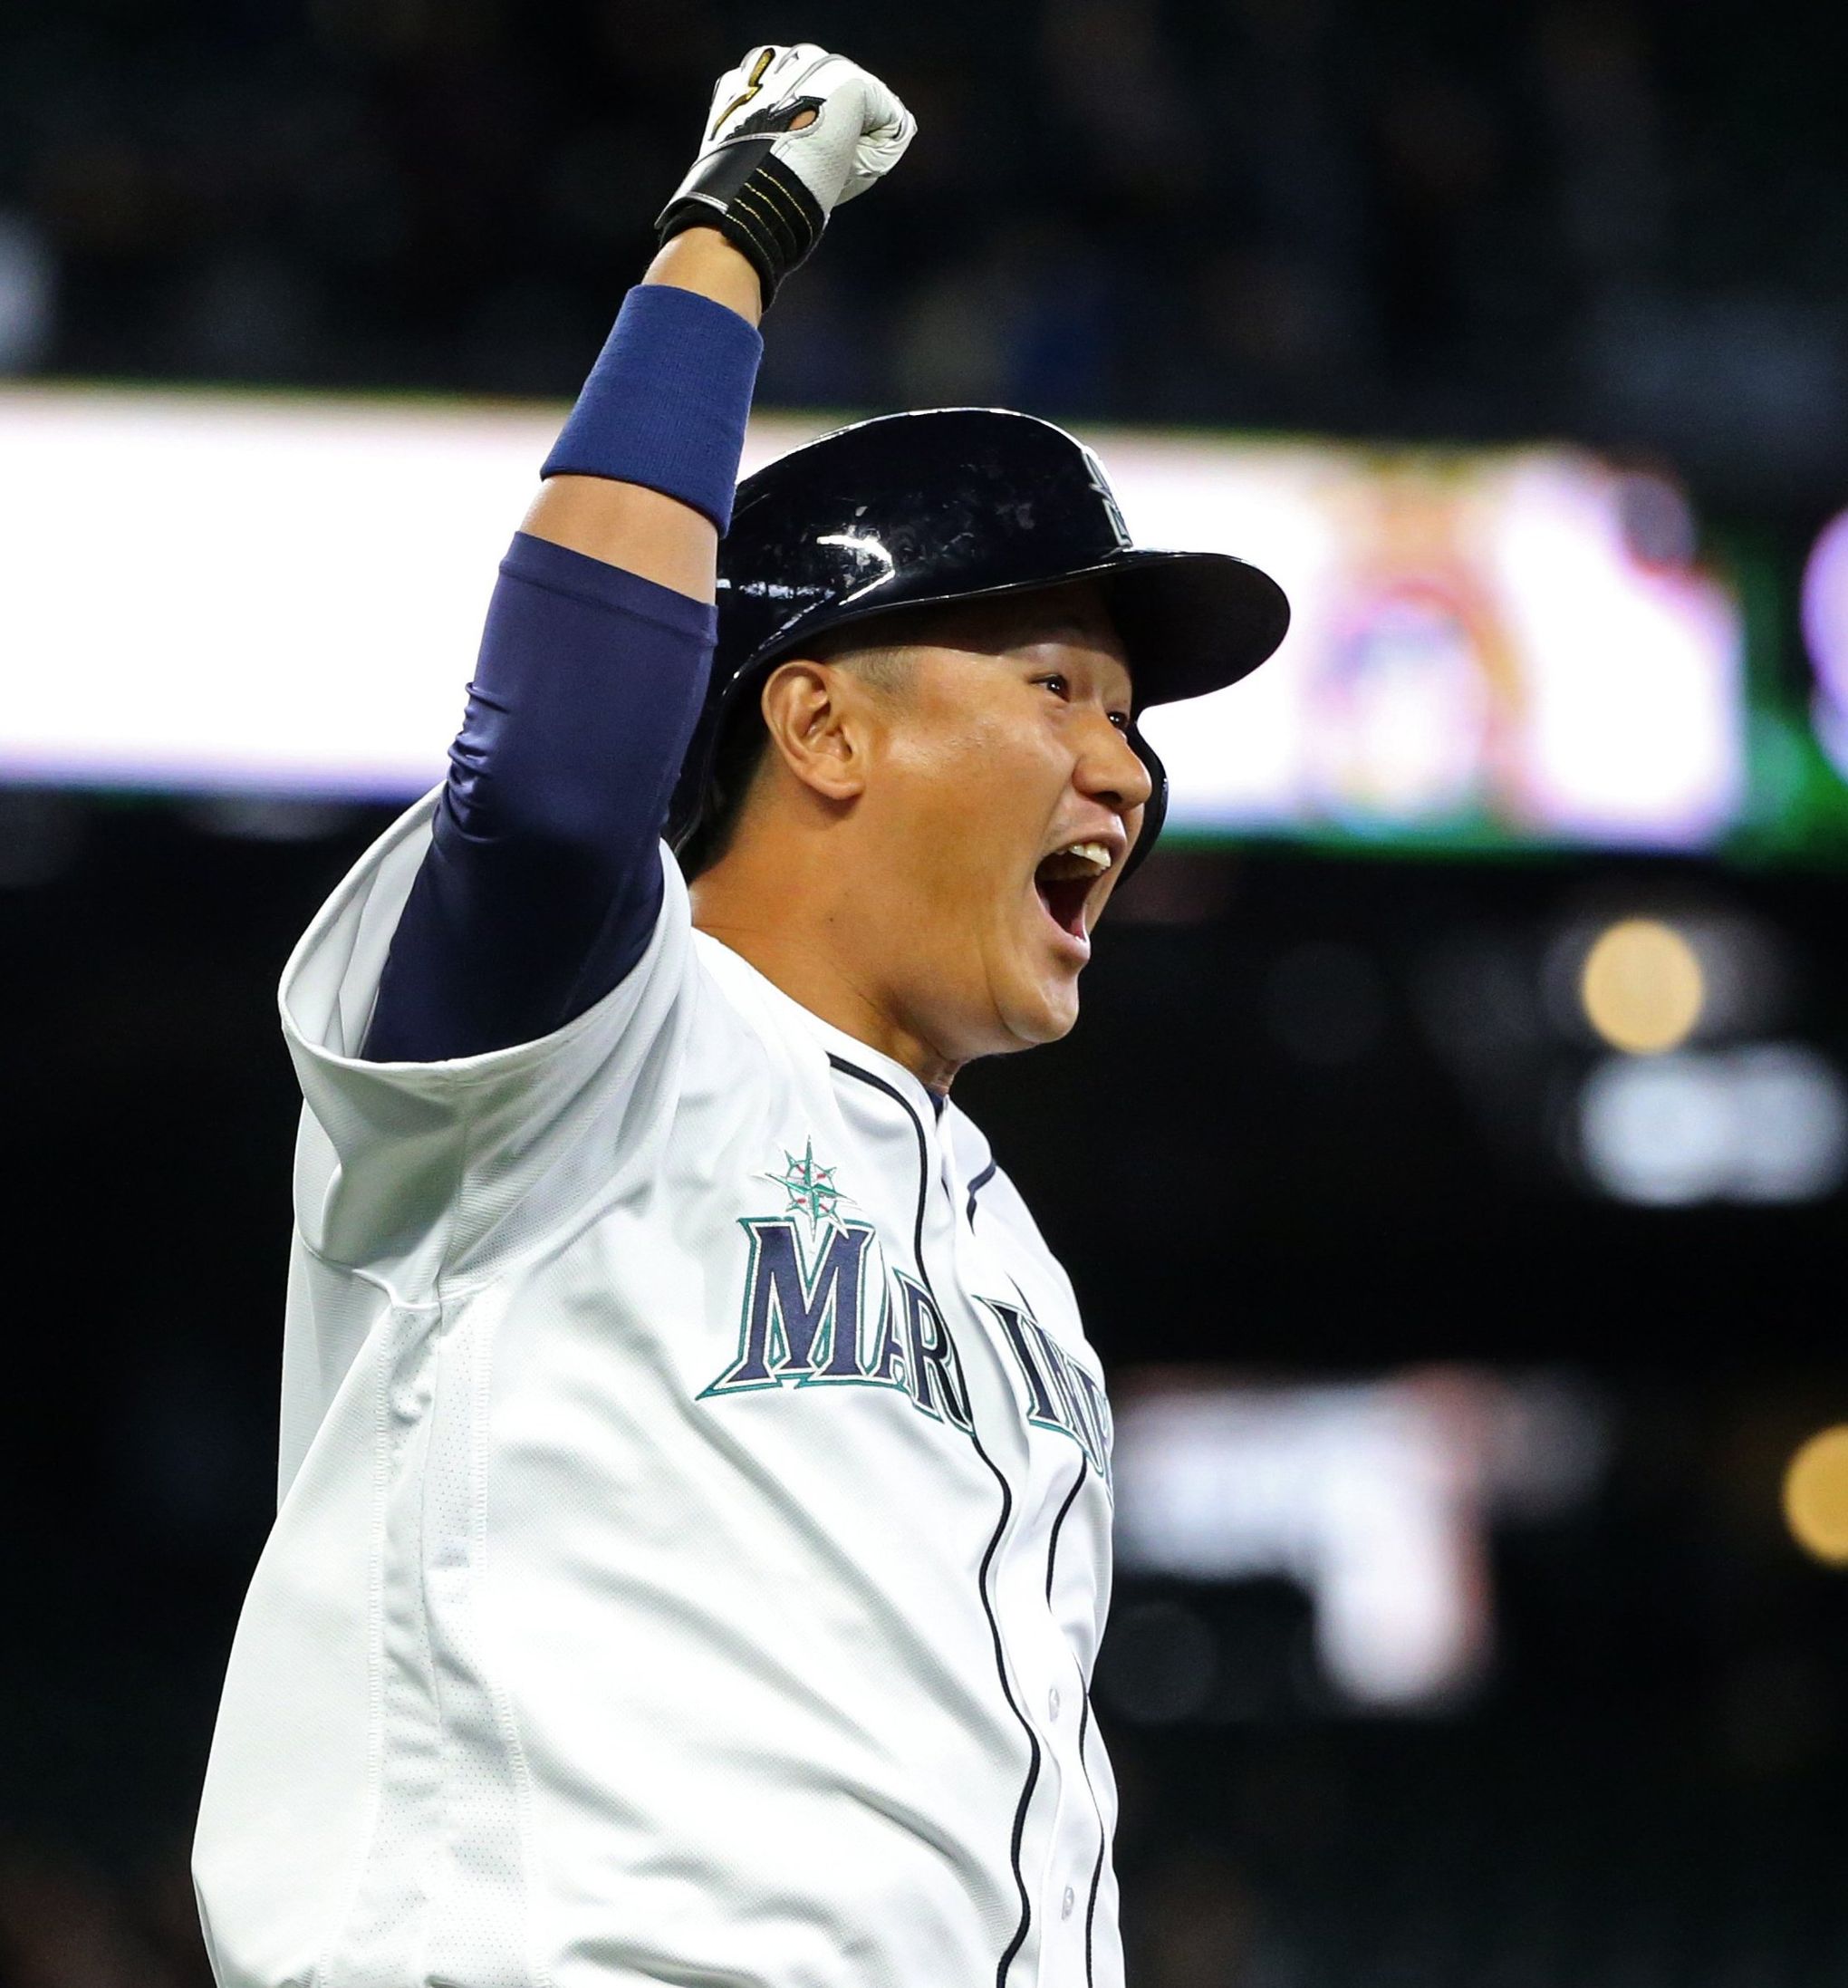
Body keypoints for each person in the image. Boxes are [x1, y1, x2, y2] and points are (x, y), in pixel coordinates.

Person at [193, 43, 1288, 1988]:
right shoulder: (585, 1043)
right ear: (821, 718)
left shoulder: (1010, 1253)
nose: (1125, 771)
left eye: (1133, 719)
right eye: (1056, 683)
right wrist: (735, 233)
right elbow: (545, 783)